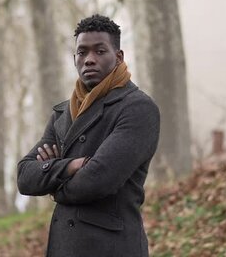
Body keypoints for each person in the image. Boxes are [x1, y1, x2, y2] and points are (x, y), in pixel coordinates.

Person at [17, 14, 160, 257]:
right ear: (75, 58)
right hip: (64, 247)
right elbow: (25, 177)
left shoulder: (137, 108)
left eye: (99, 51)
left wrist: (53, 181)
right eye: (82, 52)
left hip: (110, 248)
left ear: (118, 57)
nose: (89, 60)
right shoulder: (63, 113)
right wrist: (72, 165)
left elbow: (97, 180)